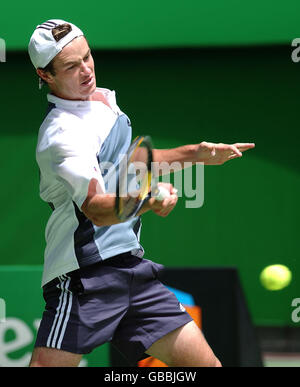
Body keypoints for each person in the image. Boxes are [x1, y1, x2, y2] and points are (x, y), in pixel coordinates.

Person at [28, 19, 255, 367]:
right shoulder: (63, 134)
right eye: (71, 66)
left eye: (87, 57)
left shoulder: (101, 102)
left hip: (132, 269)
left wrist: (195, 154)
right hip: (85, 276)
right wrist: (149, 201)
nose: (86, 70)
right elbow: (96, 209)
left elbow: (127, 161)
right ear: (46, 76)